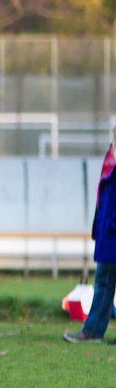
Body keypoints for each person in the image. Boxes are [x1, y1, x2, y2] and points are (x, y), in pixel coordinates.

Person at [66, 125, 116, 346]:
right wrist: (98, 227)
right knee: (104, 282)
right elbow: (103, 198)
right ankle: (93, 330)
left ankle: (93, 331)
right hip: (108, 234)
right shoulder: (109, 159)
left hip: (112, 233)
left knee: (104, 283)